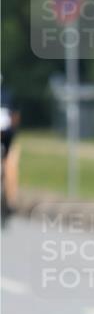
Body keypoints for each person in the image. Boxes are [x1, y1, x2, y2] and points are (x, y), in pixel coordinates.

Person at [0, 76, 21, 214]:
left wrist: (13, 132)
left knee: (11, 167)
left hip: (7, 137)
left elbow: (15, 116)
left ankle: (11, 200)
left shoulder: (7, 96)